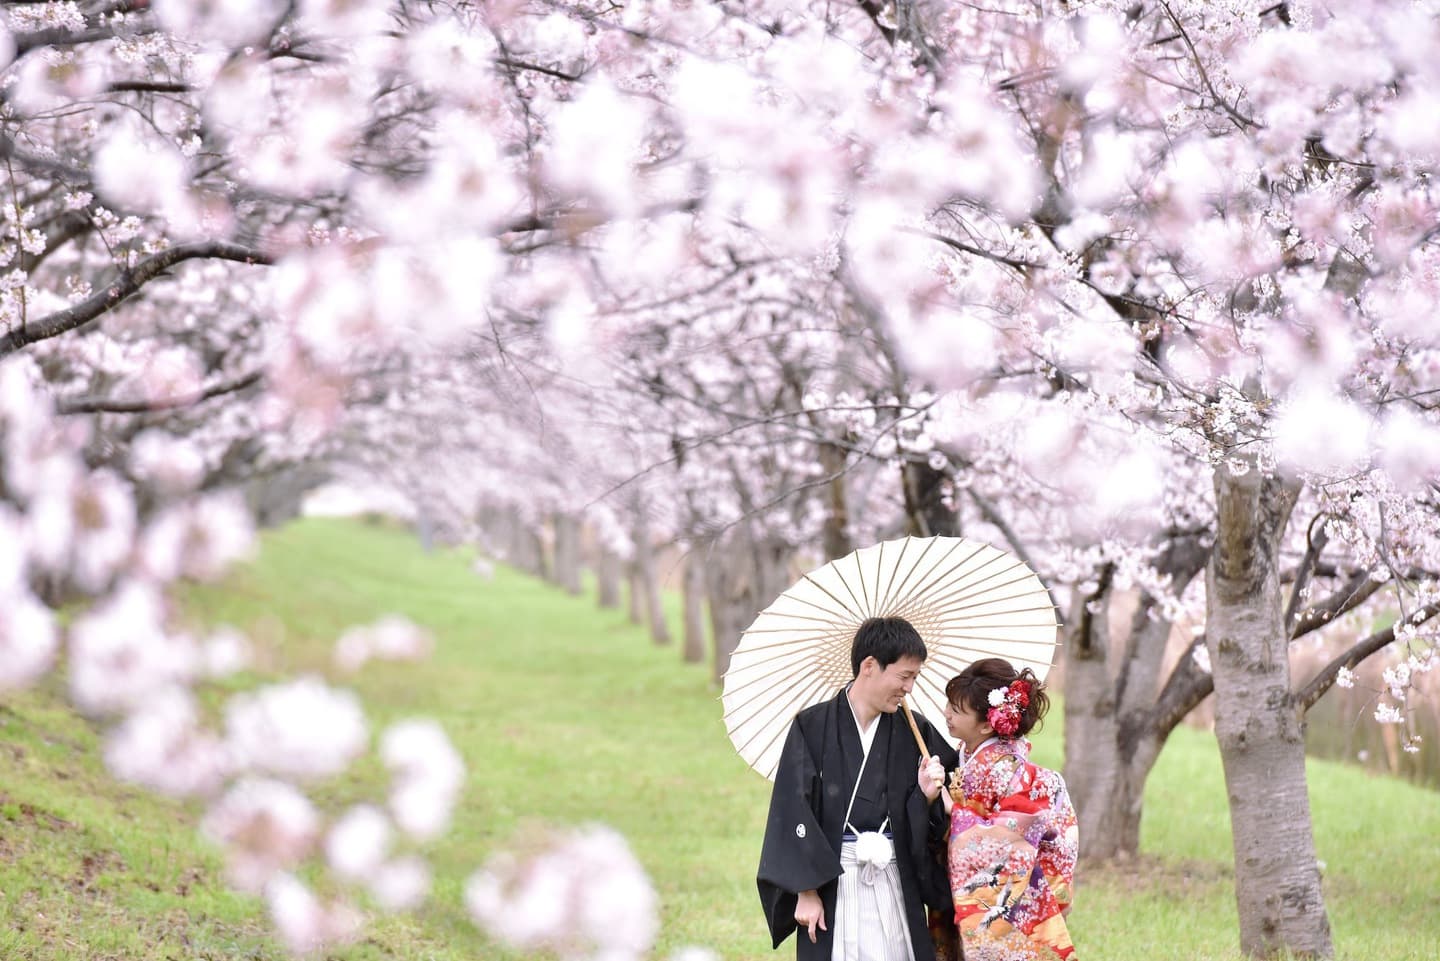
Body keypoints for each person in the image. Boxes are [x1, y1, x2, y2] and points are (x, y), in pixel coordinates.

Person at [757, 616, 958, 961]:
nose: (909, 688)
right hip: (834, 880)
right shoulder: (812, 726)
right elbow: (793, 809)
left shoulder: (917, 731)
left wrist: (926, 796)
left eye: (915, 678)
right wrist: (806, 890)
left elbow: (947, 809)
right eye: (904, 676)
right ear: (869, 666)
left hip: (896, 877)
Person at [939, 658, 1078, 960]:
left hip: (1009, 894)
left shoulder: (1007, 769)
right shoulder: (968, 755)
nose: (946, 714)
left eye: (956, 710)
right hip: (967, 889)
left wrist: (956, 813)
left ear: (988, 724)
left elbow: (1010, 839)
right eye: (948, 704)